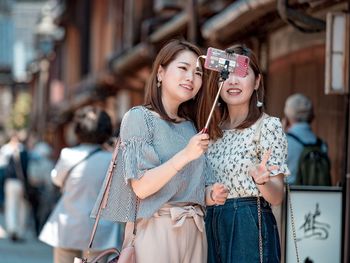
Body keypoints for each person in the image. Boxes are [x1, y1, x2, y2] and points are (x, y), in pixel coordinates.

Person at [92, 39, 228, 263]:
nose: (190, 78)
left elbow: (187, 191)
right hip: (156, 228)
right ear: (160, 73)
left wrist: (211, 195)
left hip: (195, 230)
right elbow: (142, 187)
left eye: (197, 73)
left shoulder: (191, 126)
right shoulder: (139, 118)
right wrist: (185, 155)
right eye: (183, 68)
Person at [197, 44, 290, 263]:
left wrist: (261, 181)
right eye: (226, 74)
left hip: (249, 223)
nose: (233, 81)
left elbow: (277, 196)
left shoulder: (268, 126)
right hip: (211, 223)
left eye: (242, 73)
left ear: (257, 81)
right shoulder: (210, 131)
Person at [39, 106, 121, 263]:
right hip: (99, 231)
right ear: (107, 130)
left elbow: (56, 179)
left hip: (68, 225)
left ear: (78, 129)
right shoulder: (112, 160)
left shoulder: (68, 155)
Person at [283, 93, 331, 185]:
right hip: (318, 198)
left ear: (288, 116)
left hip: (290, 197)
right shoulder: (322, 145)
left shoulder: (283, 141)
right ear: (312, 117)